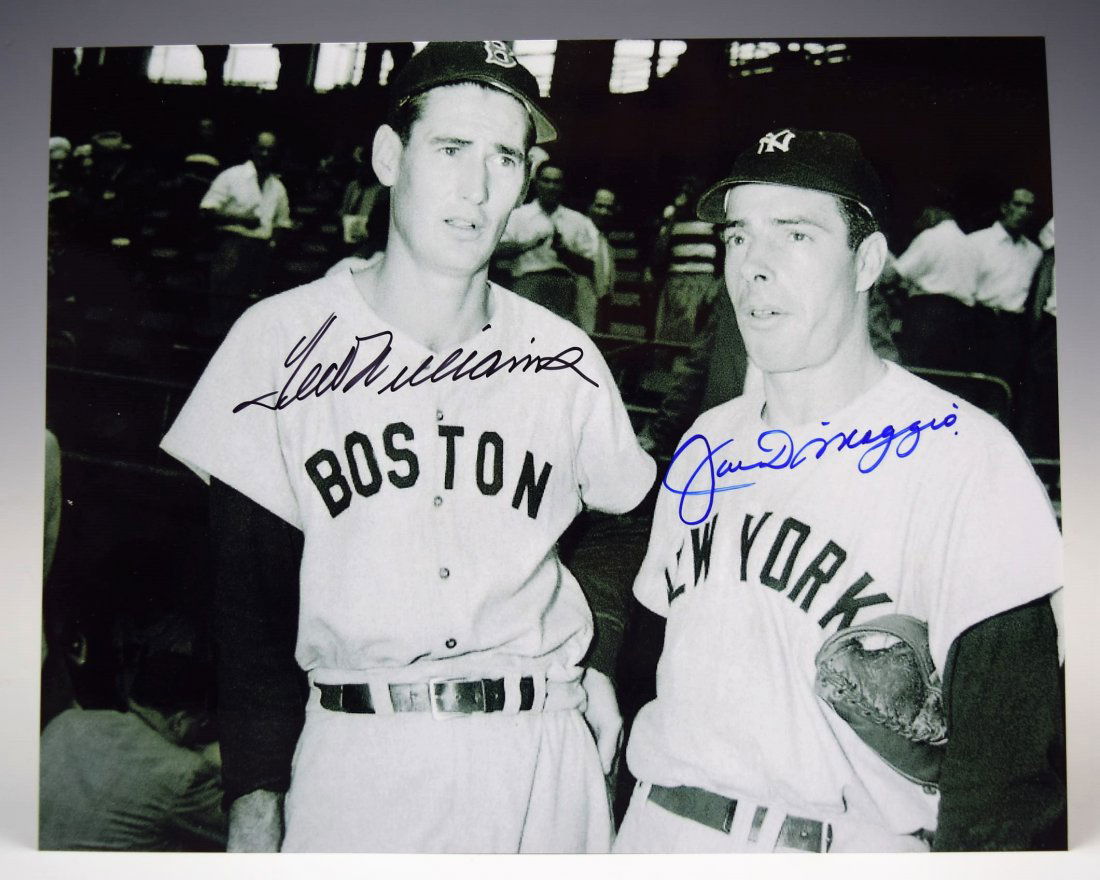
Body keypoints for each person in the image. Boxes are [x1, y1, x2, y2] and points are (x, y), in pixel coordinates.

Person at [161, 40, 654, 853]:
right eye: (451, 149)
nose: (477, 188)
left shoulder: (565, 356)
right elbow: (249, 604)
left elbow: (626, 516)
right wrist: (254, 792)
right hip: (364, 754)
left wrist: (597, 652)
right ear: (390, 157)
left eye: (504, 158)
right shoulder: (278, 341)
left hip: (542, 752)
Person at [615, 129, 1064, 853]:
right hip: (659, 830)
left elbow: (1006, 783)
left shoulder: (968, 456)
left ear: (867, 261)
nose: (754, 267)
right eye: (739, 236)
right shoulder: (707, 440)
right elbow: (643, 669)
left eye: (795, 235)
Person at [39, 615, 226, 851]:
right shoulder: (184, 774)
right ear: (178, 722)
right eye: (201, 723)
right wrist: (217, 765)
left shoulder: (67, 722)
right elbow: (241, 833)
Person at [199, 130, 292, 325]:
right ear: (252, 149)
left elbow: (282, 222)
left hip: (262, 252)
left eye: (270, 150)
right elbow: (206, 211)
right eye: (261, 149)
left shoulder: (278, 187)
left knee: (254, 313)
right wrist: (240, 219)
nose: (265, 154)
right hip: (232, 247)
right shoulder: (231, 176)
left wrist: (273, 243)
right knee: (225, 307)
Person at [497, 160, 602, 323]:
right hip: (527, 283)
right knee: (526, 330)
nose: (551, 187)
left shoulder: (577, 220)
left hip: (564, 286)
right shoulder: (518, 216)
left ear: (563, 186)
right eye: (546, 181)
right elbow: (496, 250)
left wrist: (563, 251)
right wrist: (528, 245)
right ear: (536, 183)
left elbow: (589, 265)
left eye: (556, 182)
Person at [887, 206, 980, 371]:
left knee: (917, 370)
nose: (919, 223)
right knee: (946, 374)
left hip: (928, 314)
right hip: (962, 319)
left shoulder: (931, 237)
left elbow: (896, 274)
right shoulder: (971, 245)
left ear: (932, 213)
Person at [968, 187, 1042, 393]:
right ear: (1004, 207)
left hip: (1012, 329)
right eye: (1017, 204)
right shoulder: (976, 242)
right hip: (978, 322)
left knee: (1002, 389)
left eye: (1029, 207)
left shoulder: (1034, 253)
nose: (1023, 211)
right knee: (973, 387)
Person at [649, 175, 723, 342]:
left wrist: (714, 287)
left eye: (690, 189)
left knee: (697, 338)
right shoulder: (673, 220)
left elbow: (723, 258)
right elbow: (659, 254)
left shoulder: (713, 221)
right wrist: (671, 219)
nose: (686, 193)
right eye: (683, 190)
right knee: (670, 339)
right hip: (676, 285)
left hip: (703, 286)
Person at [575, 187, 618, 334]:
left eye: (609, 208)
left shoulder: (606, 243)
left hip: (600, 312)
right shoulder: (578, 234)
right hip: (579, 311)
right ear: (589, 206)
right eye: (599, 206)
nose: (604, 212)